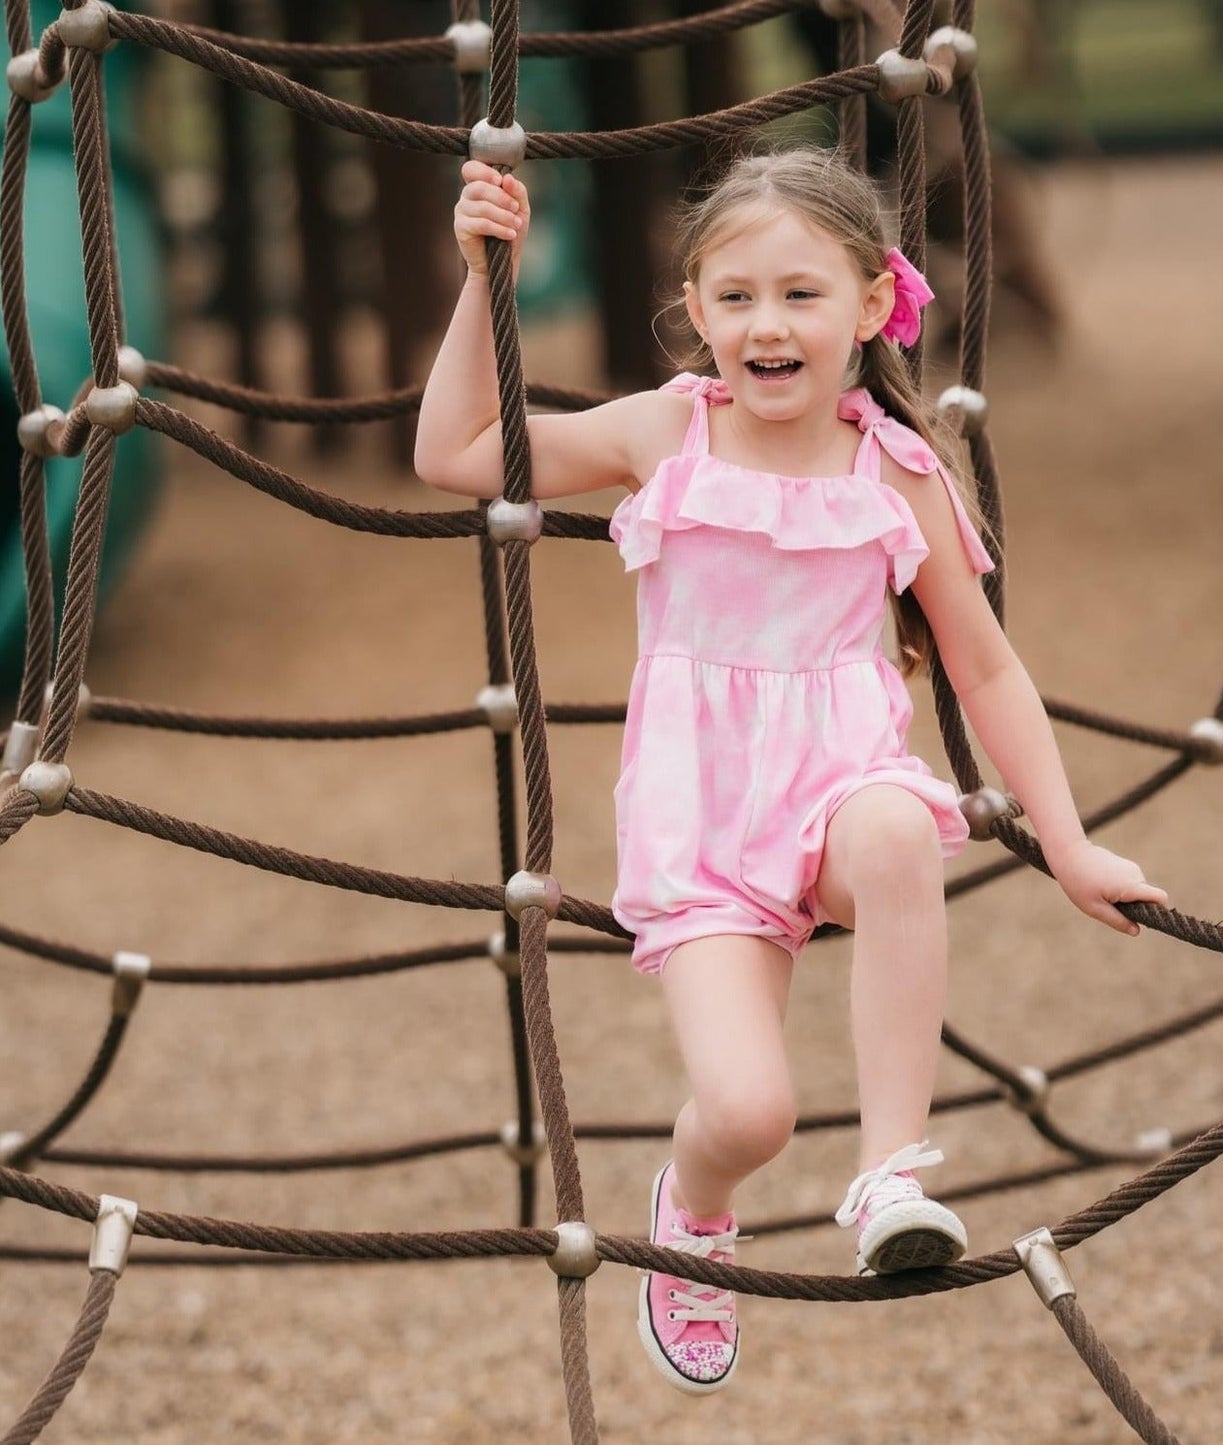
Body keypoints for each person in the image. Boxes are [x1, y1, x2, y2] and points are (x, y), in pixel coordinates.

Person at [415, 146, 1168, 1396]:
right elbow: (456, 455)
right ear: (697, 311)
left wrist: (1071, 839)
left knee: (894, 822)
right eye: (736, 296)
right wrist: (477, 273)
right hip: (700, 825)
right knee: (750, 1112)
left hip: (835, 792)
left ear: (871, 307)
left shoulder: (896, 473)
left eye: (801, 295)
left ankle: (886, 1167)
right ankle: (694, 1211)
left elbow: (982, 670)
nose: (766, 324)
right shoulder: (669, 433)